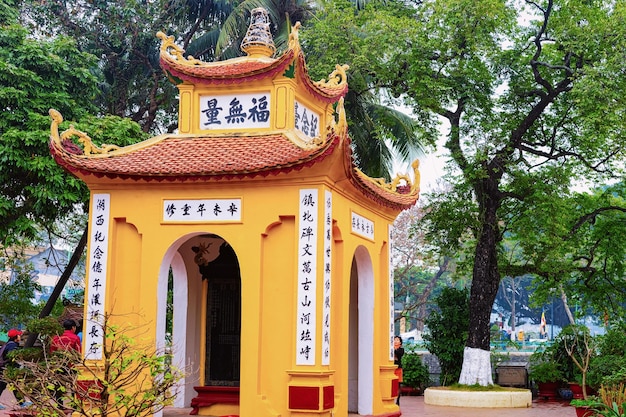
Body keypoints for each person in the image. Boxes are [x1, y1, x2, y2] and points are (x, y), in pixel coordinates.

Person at [50, 319, 82, 405]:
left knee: (59, 384)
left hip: (58, 364)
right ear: (73, 327)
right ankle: (74, 404)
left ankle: (60, 404)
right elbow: (78, 352)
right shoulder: (75, 338)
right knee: (73, 385)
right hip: (71, 364)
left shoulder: (56, 338)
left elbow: (52, 352)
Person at [0, 329, 30, 409]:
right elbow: (11, 356)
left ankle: (22, 402)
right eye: (19, 335)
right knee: (7, 385)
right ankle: (22, 403)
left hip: (5, 368)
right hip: (8, 368)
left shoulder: (8, 344)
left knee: (13, 385)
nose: (20, 336)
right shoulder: (12, 345)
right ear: (15, 337)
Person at [393, 335, 404, 405]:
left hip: (398, 369)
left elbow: (398, 354)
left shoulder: (401, 349)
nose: (396, 341)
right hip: (391, 368)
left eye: (397, 340)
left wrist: (393, 349)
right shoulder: (390, 348)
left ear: (400, 342)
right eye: (395, 340)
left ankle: (398, 400)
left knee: (398, 385)